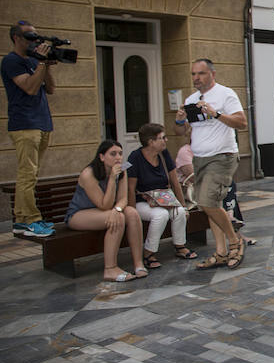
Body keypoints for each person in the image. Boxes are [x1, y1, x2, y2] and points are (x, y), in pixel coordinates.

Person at [175, 58, 247, 270]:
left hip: (222, 157)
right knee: (211, 204)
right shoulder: (191, 99)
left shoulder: (226, 94)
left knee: (206, 201)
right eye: (193, 74)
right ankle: (221, 252)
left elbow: (241, 122)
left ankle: (235, 241)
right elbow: (181, 132)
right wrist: (180, 120)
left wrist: (215, 113)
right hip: (199, 159)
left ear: (212, 74)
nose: (196, 78)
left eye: (201, 73)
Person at [2, 21, 56, 238]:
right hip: (25, 124)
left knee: (32, 174)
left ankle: (22, 220)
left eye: (36, 36)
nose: (35, 40)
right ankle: (30, 220)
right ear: (16, 38)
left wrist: (46, 65)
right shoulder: (11, 61)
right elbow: (30, 88)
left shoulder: (35, 61)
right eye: (30, 37)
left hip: (42, 122)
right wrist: (41, 63)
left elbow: (50, 88)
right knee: (27, 174)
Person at [66, 140, 147, 282]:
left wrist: (117, 209)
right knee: (118, 218)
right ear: (102, 157)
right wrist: (112, 179)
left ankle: (138, 263)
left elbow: (123, 199)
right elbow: (104, 205)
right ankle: (110, 269)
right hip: (80, 214)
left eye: (120, 153)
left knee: (132, 213)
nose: (118, 158)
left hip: (106, 211)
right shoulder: (88, 174)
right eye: (113, 154)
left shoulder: (122, 170)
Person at [127, 123, 196, 268]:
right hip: (142, 201)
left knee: (180, 212)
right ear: (151, 142)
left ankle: (180, 246)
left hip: (163, 199)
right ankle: (148, 253)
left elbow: (175, 182)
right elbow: (130, 187)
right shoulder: (135, 157)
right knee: (161, 215)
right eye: (162, 138)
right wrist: (132, 213)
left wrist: (183, 205)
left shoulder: (163, 154)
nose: (166, 140)